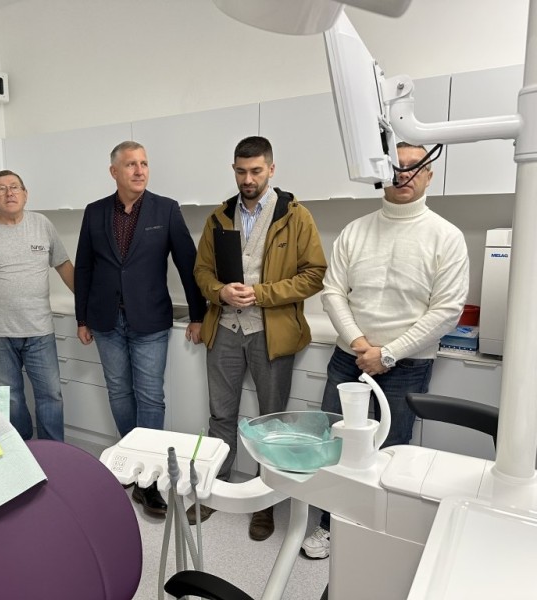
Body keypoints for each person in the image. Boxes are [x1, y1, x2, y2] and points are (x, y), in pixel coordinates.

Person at [301, 142, 469, 560]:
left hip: (407, 365)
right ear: (381, 174)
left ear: (429, 175)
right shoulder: (356, 230)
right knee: (336, 442)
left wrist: (388, 353)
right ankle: (330, 525)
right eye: (395, 167)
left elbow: (446, 311)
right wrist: (361, 345)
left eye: (414, 168)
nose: (403, 175)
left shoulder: (446, 237)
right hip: (349, 359)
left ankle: (376, 530)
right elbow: (333, 292)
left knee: (392, 450)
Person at [191, 135, 327, 541]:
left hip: (272, 333)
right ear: (233, 170)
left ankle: (265, 502)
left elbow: (314, 275)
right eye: (241, 171)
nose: (247, 179)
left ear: (271, 169)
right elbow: (201, 271)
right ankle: (216, 489)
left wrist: (262, 294)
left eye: (255, 171)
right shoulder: (218, 217)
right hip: (225, 331)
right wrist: (220, 292)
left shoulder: (296, 216)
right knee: (220, 416)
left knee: (271, 422)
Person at [75, 140, 207, 518]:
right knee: (119, 392)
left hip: (149, 319)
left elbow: (187, 265)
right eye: (131, 164)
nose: (139, 170)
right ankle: (131, 462)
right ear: (114, 171)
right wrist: (82, 317)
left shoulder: (165, 209)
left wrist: (198, 314)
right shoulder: (95, 211)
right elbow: (84, 267)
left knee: (150, 397)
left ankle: (149, 479)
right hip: (105, 320)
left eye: (144, 163)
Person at [0, 169, 74, 442]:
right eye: (1, 189)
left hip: (38, 328)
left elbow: (63, 265)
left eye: (14, 187)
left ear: (25, 194)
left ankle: (53, 451)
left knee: (51, 394)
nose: (9, 192)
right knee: (10, 397)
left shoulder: (42, 224)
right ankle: (22, 448)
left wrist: (87, 304)